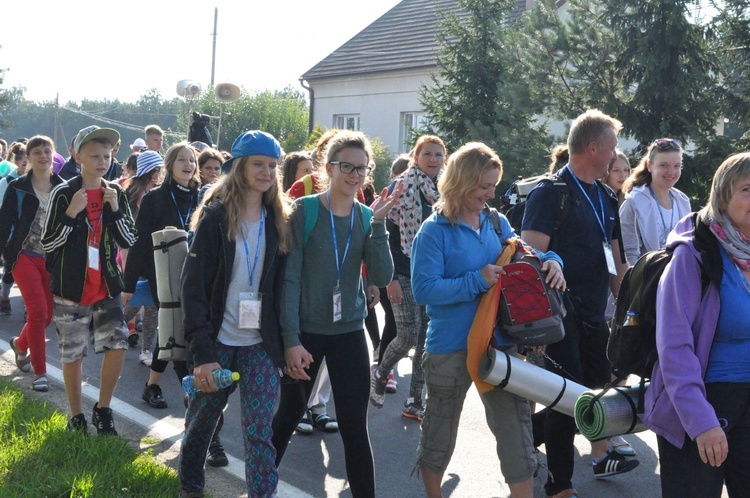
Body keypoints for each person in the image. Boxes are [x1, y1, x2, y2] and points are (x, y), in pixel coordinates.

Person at [411, 141, 564, 498]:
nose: (490, 193)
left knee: (515, 427)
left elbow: (529, 255)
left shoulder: (497, 223)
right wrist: (476, 281)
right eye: (483, 187)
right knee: (439, 430)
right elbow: (424, 290)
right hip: (450, 346)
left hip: (499, 346)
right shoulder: (434, 231)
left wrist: (554, 259)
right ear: (461, 182)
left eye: (493, 185)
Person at [272, 130, 401, 498]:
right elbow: (291, 279)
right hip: (307, 336)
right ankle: (259, 487)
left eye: (362, 168)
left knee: (355, 428)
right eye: (347, 166)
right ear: (328, 167)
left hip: (348, 333)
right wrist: (291, 340)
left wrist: (378, 227)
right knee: (286, 419)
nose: (355, 175)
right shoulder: (305, 210)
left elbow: (381, 276)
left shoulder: (365, 216)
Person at [521, 109, 638, 498]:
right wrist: (535, 325)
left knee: (593, 394)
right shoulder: (549, 192)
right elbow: (529, 260)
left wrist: (630, 313)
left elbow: (616, 262)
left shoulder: (606, 196)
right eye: (612, 147)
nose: (616, 155)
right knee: (566, 397)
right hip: (558, 315)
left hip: (594, 315)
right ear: (593, 148)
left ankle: (523, 439)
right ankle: (561, 484)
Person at [178, 130, 290, 497]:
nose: (267, 172)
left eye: (273, 165)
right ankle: (190, 488)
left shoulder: (279, 219)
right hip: (217, 342)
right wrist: (203, 354)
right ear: (240, 167)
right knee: (201, 425)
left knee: (260, 433)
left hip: (259, 344)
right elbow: (192, 290)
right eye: (259, 164)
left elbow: (282, 291)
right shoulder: (213, 218)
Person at [641, 152, 750, 497]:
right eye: (747, 189)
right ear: (722, 196)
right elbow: (673, 348)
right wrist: (701, 422)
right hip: (699, 405)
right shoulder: (693, 255)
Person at [41, 125, 137, 435]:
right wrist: (71, 213)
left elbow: (129, 238)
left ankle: (103, 409)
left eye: (107, 156)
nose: (102, 161)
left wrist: (114, 208)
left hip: (106, 285)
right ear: (77, 156)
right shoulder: (64, 192)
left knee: (118, 344)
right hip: (71, 287)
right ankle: (76, 416)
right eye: (94, 156)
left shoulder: (116, 192)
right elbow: (48, 242)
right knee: (73, 353)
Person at [370, 135, 446, 420]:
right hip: (400, 271)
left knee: (426, 341)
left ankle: (415, 401)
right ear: (416, 157)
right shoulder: (399, 187)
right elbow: (380, 233)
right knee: (408, 336)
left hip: (431, 274)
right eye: (426, 154)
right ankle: (380, 372)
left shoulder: (445, 190)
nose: (432, 159)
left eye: (438, 155)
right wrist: (388, 279)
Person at [122, 145, 199, 411]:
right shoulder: (155, 198)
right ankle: (192, 393)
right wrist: (128, 284)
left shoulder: (203, 197)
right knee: (177, 328)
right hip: (163, 274)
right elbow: (140, 242)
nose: (188, 164)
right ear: (169, 164)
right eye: (182, 160)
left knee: (173, 330)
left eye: (192, 160)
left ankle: (152, 385)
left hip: (196, 275)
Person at [1, 135, 65, 392]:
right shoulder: (18, 187)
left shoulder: (64, 187)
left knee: (46, 316)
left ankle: (19, 345)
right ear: (28, 157)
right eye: (37, 151)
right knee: (37, 312)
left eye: (47, 151)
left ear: (53, 154)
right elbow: (4, 222)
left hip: (51, 259)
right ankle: (41, 373)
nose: (43, 156)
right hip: (23, 256)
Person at [619, 138, 691, 265]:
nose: (671, 172)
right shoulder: (633, 203)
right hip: (647, 280)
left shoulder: (683, 202)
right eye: (664, 165)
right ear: (649, 166)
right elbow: (629, 253)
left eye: (677, 166)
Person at [120, 151, 163, 366]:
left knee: (152, 305)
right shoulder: (128, 193)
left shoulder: (160, 194)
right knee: (135, 300)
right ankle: (112, 326)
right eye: (157, 170)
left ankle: (146, 350)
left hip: (155, 255)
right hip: (131, 252)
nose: (159, 174)